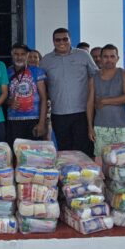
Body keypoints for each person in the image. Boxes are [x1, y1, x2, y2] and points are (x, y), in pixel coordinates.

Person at [40, 27, 98, 156]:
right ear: (53, 41)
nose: (62, 42)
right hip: (58, 114)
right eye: (58, 40)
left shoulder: (83, 55)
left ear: (70, 40)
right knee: (65, 151)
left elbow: (96, 76)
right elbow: (42, 84)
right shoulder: (46, 60)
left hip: (82, 113)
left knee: (84, 151)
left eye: (65, 39)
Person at [88, 44, 125, 157]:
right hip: (100, 127)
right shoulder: (94, 78)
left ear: (117, 58)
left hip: (121, 127)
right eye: (105, 56)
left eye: (112, 56)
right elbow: (89, 104)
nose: (109, 60)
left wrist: (105, 101)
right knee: (101, 160)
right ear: (100, 58)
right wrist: (90, 127)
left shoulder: (124, 75)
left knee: (123, 160)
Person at [6, 43, 48, 145]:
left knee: (34, 151)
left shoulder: (37, 72)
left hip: (34, 119)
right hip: (13, 120)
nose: (19, 57)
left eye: (23, 54)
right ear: (12, 55)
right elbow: (2, 96)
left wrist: (42, 123)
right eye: (16, 54)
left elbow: (43, 98)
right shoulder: (6, 72)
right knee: (16, 150)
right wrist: (9, 102)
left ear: (27, 55)